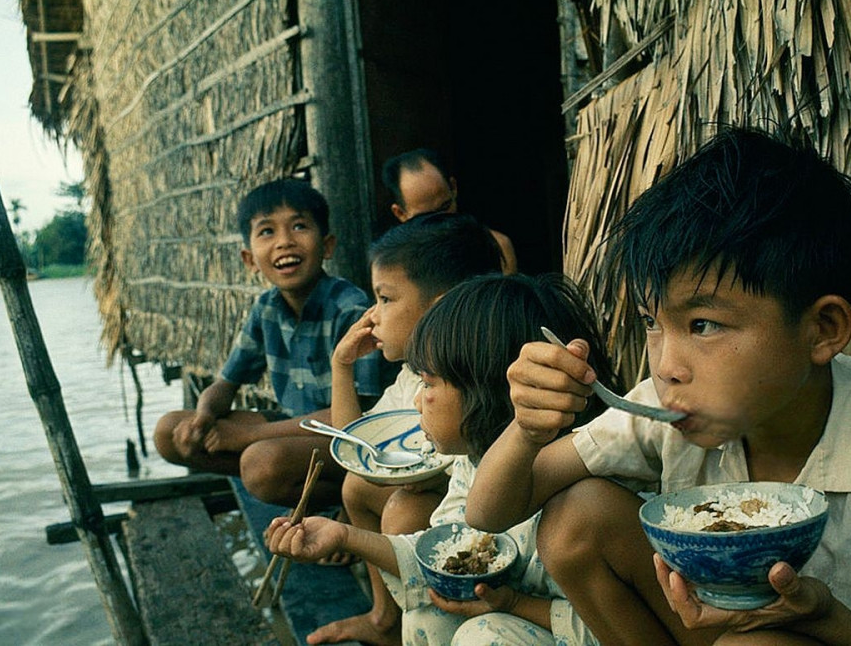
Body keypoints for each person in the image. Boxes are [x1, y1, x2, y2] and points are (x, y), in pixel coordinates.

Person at [466, 127, 851, 645]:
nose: (667, 365)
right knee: (574, 519)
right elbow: (487, 515)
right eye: (653, 322)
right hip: (710, 631)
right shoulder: (666, 409)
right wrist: (526, 430)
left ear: (824, 329)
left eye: (703, 325)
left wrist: (826, 619)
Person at [266, 272, 619, 645]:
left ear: (484, 390)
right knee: (430, 614)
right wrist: (343, 536)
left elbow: (610, 627)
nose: (417, 400)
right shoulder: (475, 463)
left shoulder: (584, 482)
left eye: (429, 383)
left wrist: (515, 604)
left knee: (482, 635)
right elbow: (444, 555)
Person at [307, 211, 504, 645]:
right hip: (451, 497)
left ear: (442, 307)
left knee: (400, 511)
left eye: (385, 299)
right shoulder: (414, 376)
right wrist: (342, 367)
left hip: (489, 516)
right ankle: (385, 618)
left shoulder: (482, 376)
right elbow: (357, 449)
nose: (372, 315)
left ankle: (433, 623)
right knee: (356, 490)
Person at [153, 178, 393, 509]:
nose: (284, 242)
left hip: (348, 438)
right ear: (249, 259)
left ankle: (356, 504)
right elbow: (226, 383)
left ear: (327, 246)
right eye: (267, 231)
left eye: (298, 226)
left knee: (261, 463)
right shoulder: (266, 307)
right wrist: (203, 417)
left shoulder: (349, 308)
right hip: (290, 427)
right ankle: (296, 492)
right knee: (169, 433)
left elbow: (360, 414)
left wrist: (248, 436)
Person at [381, 147, 518, 273]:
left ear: (453, 187)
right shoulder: (396, 268)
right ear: (401, 213)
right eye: (426, 217)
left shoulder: (496, 247)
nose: (441, 222)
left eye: (445, 207)